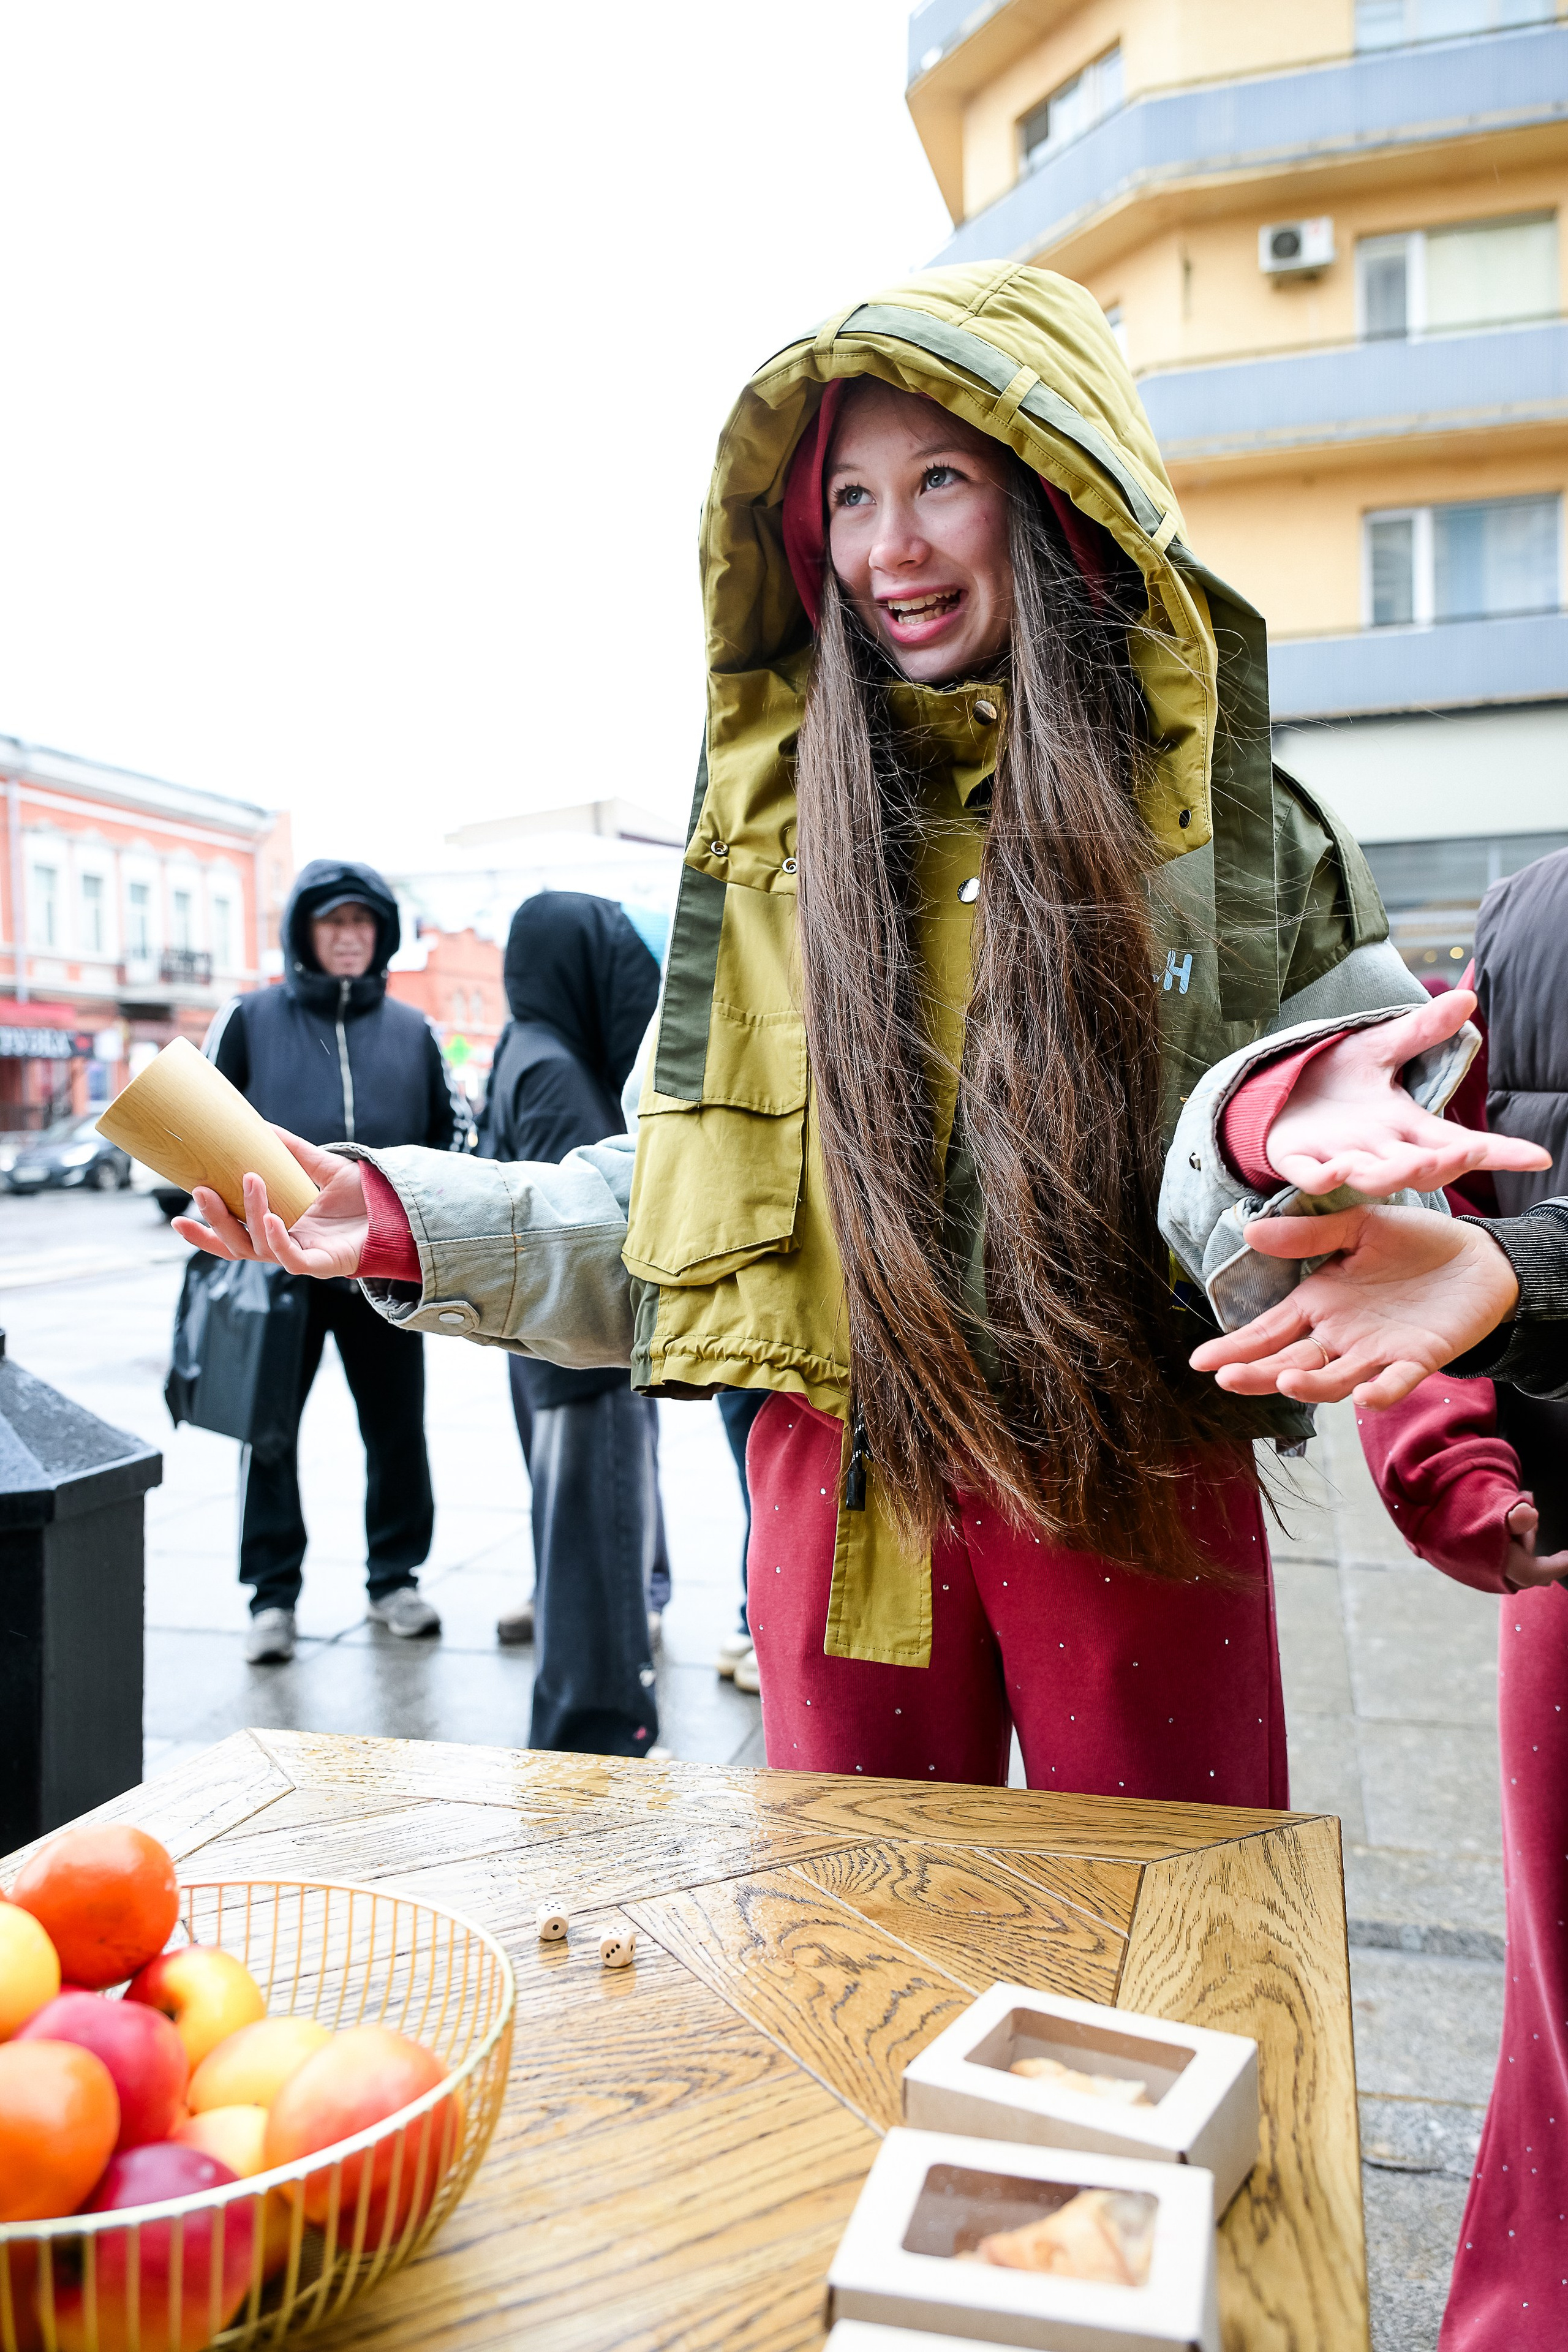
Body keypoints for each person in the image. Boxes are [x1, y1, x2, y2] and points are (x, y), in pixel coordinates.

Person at [173, 263, 1543, 1796]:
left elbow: (1371, 1235)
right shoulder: (764, 865)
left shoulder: (1244, 838)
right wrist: (399, 1216)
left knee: (1172, 1969)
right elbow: (666, 1222)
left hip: (1135, 1490)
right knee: (852, 1977)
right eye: (847, 496)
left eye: (941, 478)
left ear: (1056, 495)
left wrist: (1283, 1148)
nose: (890, 546)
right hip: (838, 1504)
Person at [202, 859, 470, 1663]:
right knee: (269, 1432)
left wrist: (417, 1220)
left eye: (363, 923)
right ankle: (271, 1597)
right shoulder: (250, 1019)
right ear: (306, 935)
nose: (350, 937)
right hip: (277, 1267)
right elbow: (202, 1124)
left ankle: (395, 1579)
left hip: (383, 1268)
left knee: (396, 1431)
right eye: (333, 923)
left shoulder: (414, 1031)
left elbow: (458, 1137)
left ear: (380, 934)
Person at [475, 891, 665, 1757]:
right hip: (581, 1359)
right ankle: (597, 1739)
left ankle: (580, 1726)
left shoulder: (524, 1046)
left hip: (548, 1357)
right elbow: (592, 1224)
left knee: (576, 1542)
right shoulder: (555, 1067)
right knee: (597, 1544)